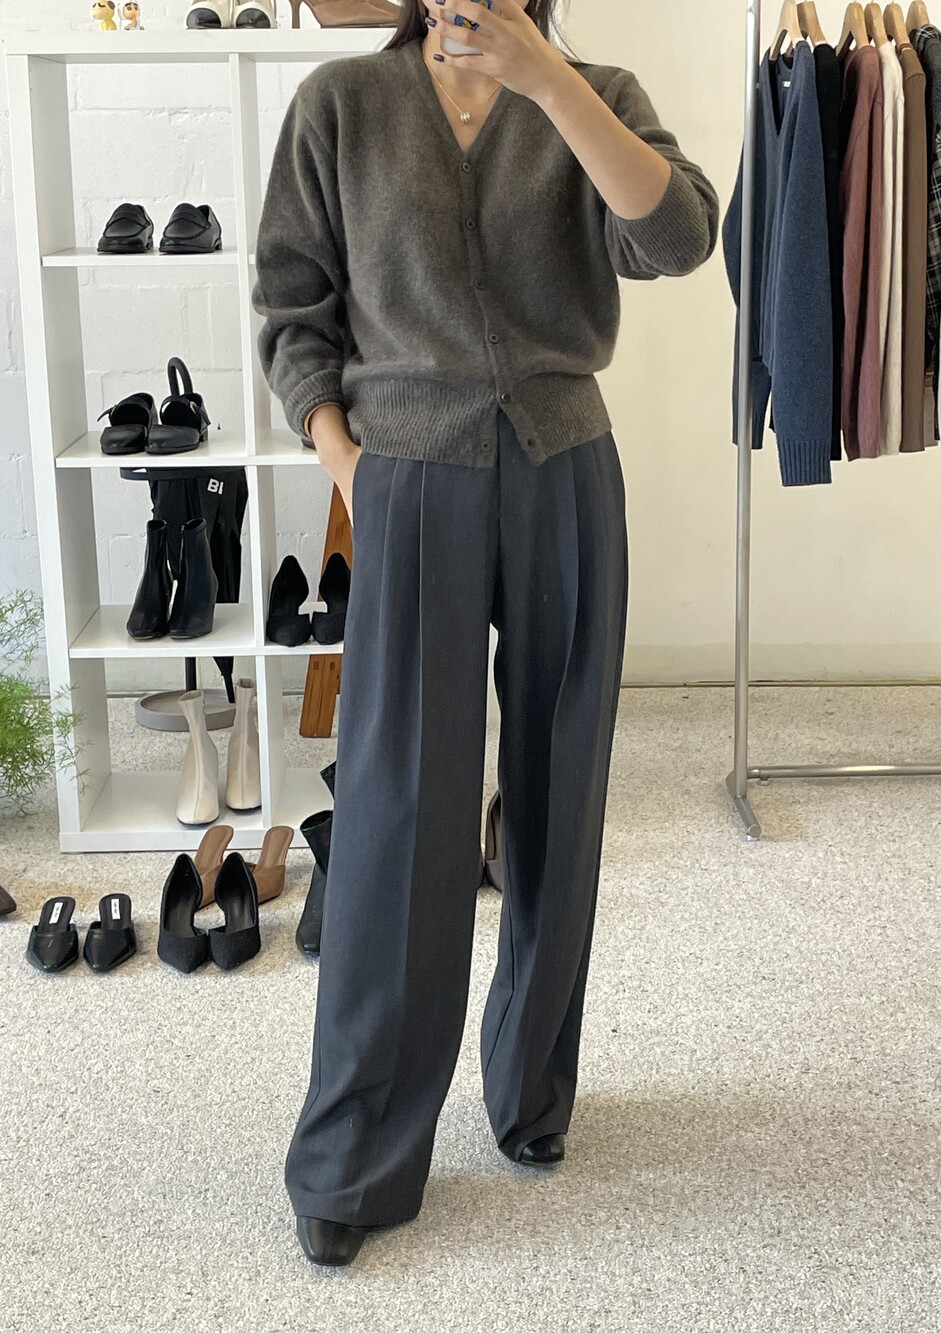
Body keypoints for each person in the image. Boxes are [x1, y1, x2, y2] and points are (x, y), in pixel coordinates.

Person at [251, 0, 718, 1268]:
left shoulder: (595, 85)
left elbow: (678, 237)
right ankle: (353, 1154)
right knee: (399, 806)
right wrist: (349, 466)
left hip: (565, 465)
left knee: (562, 790)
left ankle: (530, 1090)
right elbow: (292, 307)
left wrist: (550, 80)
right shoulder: (343, 104)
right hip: (408, 475)